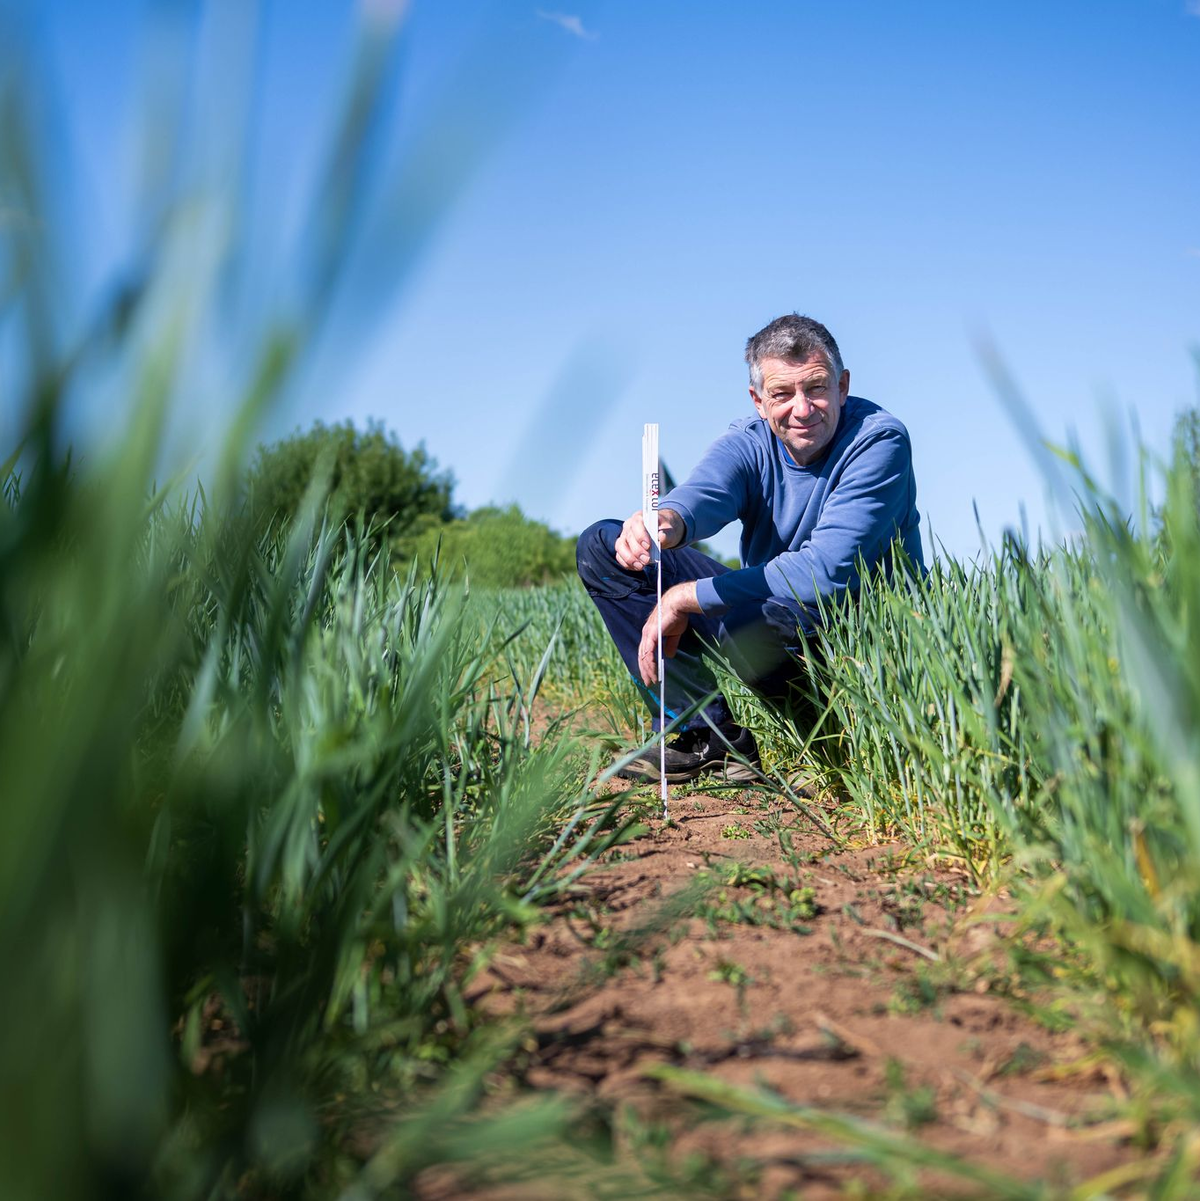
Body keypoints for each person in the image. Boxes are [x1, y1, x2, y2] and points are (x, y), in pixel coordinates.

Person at [576, 313, 924, 782]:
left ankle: (835, 747)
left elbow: (826, 571)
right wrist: (664, 523)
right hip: (768, 614)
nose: (802, 408)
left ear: (842, 387)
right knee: (603, 546)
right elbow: (707, 493)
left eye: (816, 388)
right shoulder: (749, 442)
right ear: (759, 401)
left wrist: (685, 597)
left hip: (855, 639)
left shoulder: (879, 441)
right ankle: (706, 737)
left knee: (749, 615)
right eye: (782, 394)